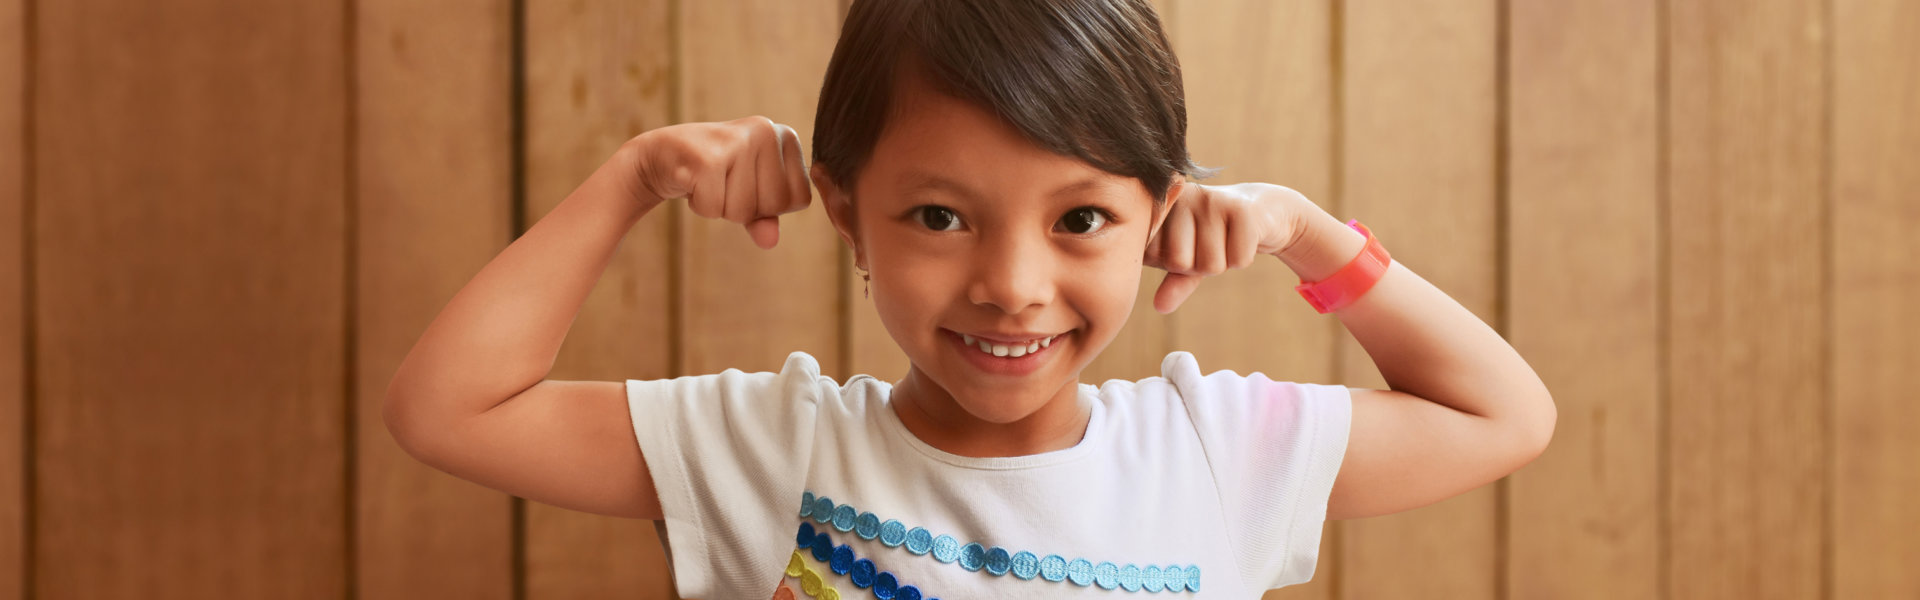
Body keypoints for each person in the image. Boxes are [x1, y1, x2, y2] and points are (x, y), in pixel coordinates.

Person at [382, 0, 1558, 598]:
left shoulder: (1214, 452)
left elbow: (1504, 417)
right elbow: (447, 410)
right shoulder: (769, 451)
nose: (1011, 285)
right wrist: (632, 178)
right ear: (844, 209)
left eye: (1081, 218)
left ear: (1159, 214)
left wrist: (1305, 233)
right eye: (940, 217)